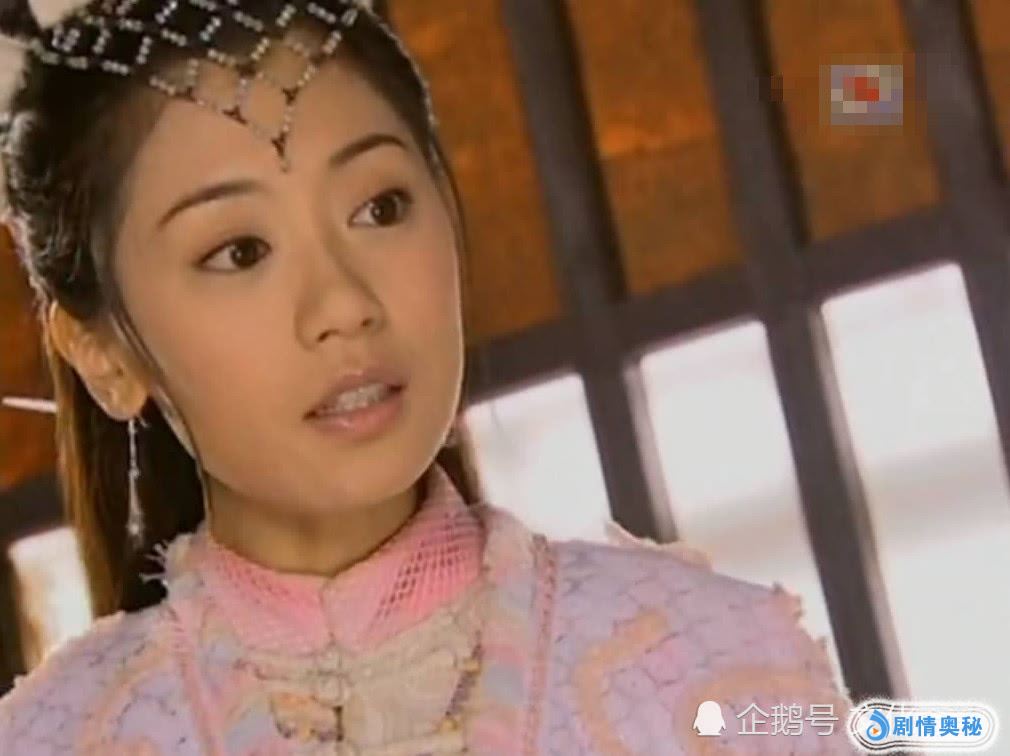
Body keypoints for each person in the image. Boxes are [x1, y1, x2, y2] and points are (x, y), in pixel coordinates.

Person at [0, 0, 855, 752]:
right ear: (105, 355)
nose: (344, 302)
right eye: (241, 251)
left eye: (380, 208)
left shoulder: (717, 667)